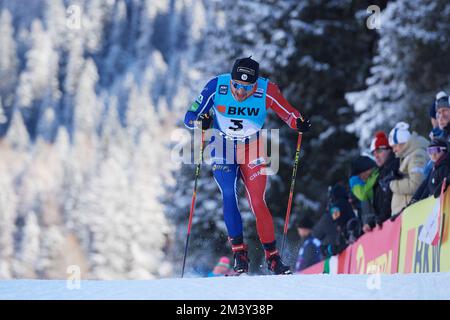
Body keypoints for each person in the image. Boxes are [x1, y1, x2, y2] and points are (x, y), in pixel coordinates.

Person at [184, 56, 311, 275]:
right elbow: (189, 116)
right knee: (229, 194)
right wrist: (200, 122)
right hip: (222, 144)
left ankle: (272, 257)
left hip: (252, 146)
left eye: (247, 87)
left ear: (256, 83)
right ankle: (239, 254)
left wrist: (298, 122)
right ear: (230, 80)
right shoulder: (217, 85)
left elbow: (288, 112)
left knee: (257, 201)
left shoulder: (267, 90)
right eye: (237, 86)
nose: (241, 92)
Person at [388, 122, 429, 215]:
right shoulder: (408, 156)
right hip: (408, 214)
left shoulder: (416, 155)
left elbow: (416, 184)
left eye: (394, 146)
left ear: (403, 142)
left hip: (414, 213)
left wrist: (392, 184)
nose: (393, 150)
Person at [370, 131, 400, 225]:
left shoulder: (394, 166)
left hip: (395, 219)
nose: (376, 157)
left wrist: (382, 217)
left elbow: (389, 196)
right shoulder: (380, 173)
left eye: (379, 152)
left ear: (389, 150)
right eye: (374, 154)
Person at [348, 155, 378, 233]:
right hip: (368, 221)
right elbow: (363, 195)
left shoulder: (368, 177)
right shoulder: (354, 180)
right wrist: (373, 179)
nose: (369, 174)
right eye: (369, 171)